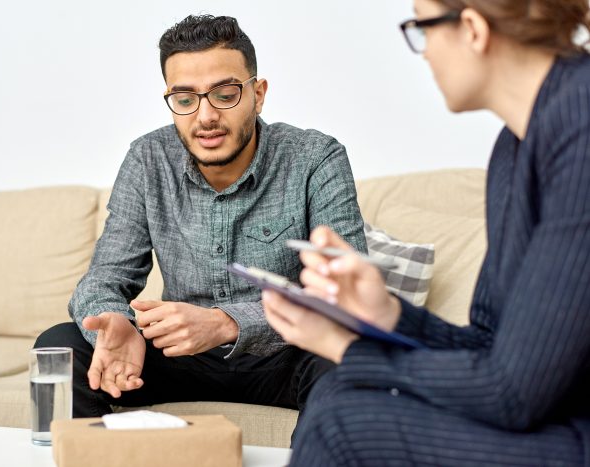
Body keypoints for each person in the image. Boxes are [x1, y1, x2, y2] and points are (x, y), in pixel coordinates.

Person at [262, 0, 590, 465]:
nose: (424, 53)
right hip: (555, 415)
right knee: (336, 389)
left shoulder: (581, 129)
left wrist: (345, 346)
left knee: (345, 425)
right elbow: (490, 344)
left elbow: (513, 392)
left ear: (472, 29)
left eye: (422, 28)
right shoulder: (514, 149)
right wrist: (389, 314)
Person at [34, 15, 367, 418]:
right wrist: (116, 323)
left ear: (257, 95)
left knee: (351, 358)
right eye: (186, 98)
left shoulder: (316, 158)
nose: (205, 116)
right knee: (60, 347)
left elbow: (346, 298)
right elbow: (103, 279)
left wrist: (227, 322)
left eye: (224, 94)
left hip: (287, 354)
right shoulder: (148, 159)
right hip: (179, 357)